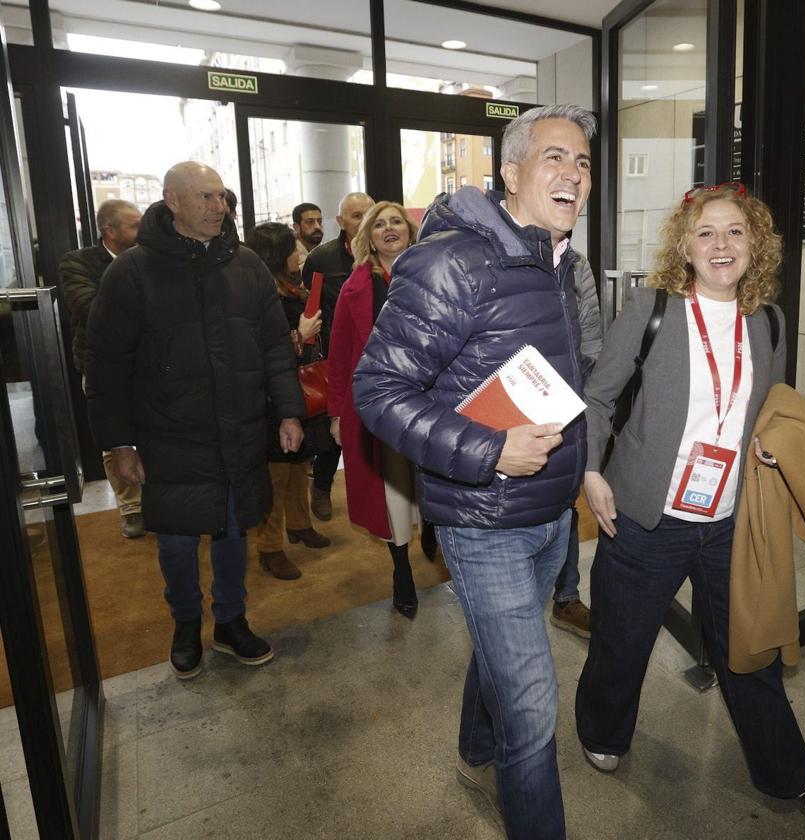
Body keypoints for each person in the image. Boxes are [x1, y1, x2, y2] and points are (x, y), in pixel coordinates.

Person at [353, 104, 594, 839]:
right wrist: (489, 452)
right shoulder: (453, 263)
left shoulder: (561, 265)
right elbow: (378, 391)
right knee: (533, 708)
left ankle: (471, 748)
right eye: (555, 158)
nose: (574, 176)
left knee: (501, 652)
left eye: (583, 164)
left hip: (551, 515)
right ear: (512, 173)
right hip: (483, 522)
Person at [575, 182, 805, 817]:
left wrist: (771, 447)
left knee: (750, 653)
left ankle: (787, 774)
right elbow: (597, 398)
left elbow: (769, 409)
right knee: (621, 640)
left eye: (734, 232)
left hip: (731, 522)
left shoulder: (770, 321)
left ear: (755, 244)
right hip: (647, 516)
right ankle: (601, 731)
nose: (721, 245)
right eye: (706, 233)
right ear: (686, 247)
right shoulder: (650, 309)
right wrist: (590, 471)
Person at [86, 161, 306, 680]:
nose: (220, 208)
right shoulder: (132, 271)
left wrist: (290, 409)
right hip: (168, 434)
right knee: (179, 538)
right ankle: (185, 624)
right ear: (173, 201)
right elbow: (106, 366)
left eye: (223, 198)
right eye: (206, 198)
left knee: (233, 530)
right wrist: (119, 444)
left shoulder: (247, 265)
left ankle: (230, 621)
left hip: (239, 427)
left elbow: (275, 345)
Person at [326, 201, 423, 618]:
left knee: (437, 479)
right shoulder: (355, 288)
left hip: (436, 397)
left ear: (409, 229)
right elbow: (341, 354)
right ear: (368, 237)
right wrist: (335, 412)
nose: (388, 229)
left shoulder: (434, 273)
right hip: (384, 404)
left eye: (395, 222)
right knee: (394, 489)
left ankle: (438, 536)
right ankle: (402, 570)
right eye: (379, 224)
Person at [245, 222, 331, 581]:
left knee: (300, 464)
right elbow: (258, 351)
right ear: (277, 255)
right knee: (276, 475)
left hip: (300, 393)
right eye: (292, 249)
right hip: (271, 399)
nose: (299, 254)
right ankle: (270, 548)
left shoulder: (294, 287)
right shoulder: (258, 292)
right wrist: (301, 334)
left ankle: (299, 524)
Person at [59, 198, 144, 539]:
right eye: (134, 225)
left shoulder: (150, 259)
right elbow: (88, 307)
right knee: (115, 441)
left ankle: (155, 496)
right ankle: (131, 508)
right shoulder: (78, 263)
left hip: (148, 362)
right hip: (103, 365)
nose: (142, 231)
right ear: (110, 232)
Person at [302, 191, 373, 524]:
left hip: (382, 361)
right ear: (341, 222)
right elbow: (311, 308)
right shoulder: (321, 259)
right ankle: (322, 487)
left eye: (367, 214)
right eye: (355, 215)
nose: (362, 221)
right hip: (338, 359)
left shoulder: (390, 253)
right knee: (335, 436)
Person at [549, 254, 602, 639]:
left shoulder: (574, 263)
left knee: (565, 497)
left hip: (565, 395)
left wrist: (593, 391)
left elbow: (591, 332)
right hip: (510, 398)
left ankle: (566, 596)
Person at [292, 202, 323, 268]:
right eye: (310, 222)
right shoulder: (290, 257)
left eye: (320, 221)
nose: (317, 226)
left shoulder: (326, 252)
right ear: (296, 227)